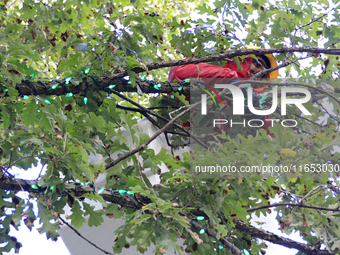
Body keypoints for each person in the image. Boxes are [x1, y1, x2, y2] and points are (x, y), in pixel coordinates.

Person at [167, 47, 279, 135]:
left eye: (263, 73)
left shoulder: (252, 97)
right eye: (258, 64)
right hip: (177, 122)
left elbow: (269, 133)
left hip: (202, 140)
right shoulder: (219, 68)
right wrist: (232, 82)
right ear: (246, 59)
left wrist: (262, 119)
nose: (260, 71)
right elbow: (179, 71)